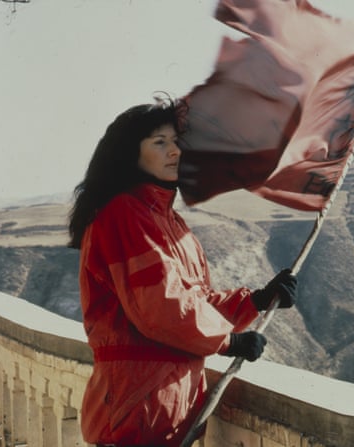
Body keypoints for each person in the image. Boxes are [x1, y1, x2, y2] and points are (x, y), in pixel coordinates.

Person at [68, 97, 297, 447]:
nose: (174, 151)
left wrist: (256, 300)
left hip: (162, 412)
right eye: (160, 143)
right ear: (130, 153)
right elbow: (160, 308)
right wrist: (228, 341)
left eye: (176, 141)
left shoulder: (168, 221)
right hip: (136, 414)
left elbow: (194, 303)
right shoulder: (124, 214)